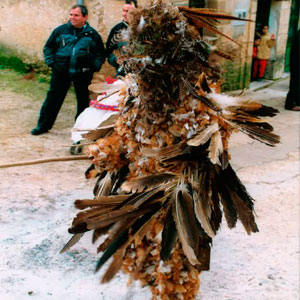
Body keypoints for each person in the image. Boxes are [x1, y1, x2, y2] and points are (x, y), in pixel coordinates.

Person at [31, 5, 106, 135]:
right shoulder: (60, 31)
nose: (72, 17)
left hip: (82, 73)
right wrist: (51, 63)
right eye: (71, 14)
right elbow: (48, 48)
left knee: (83, 102)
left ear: (85, 17)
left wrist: (94, 66)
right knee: (53, 99)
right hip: (61, 72)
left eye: (76, 15)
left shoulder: (92, 35)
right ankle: (43, 126)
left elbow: (100, 53)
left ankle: (80, 130)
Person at [105, 1, 137, 77]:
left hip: (143, 76)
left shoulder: (144, 29)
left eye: (128, 11)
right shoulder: (116, 30)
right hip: (123, 75)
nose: (124, 14)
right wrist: (115, 60)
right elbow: (108, 53)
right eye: (123, 10)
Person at [285, 29, 300, 111]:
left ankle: (297, 102)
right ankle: (289, 104)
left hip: (296, 63)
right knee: (295, 84)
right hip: (297, 64)